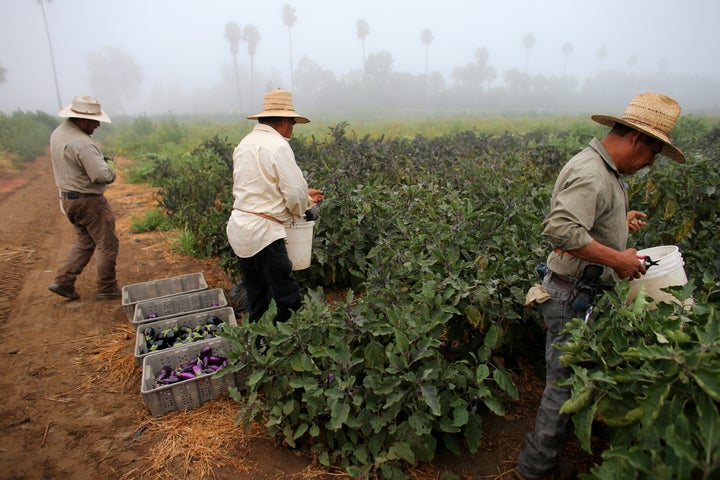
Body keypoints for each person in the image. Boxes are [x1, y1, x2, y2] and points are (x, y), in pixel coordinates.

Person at [515, 92, 686, 480]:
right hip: (570, 293)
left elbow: (585, 222)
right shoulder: (593, 172)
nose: (649, 164)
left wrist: (619, 222)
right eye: (653, 154)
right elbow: (559, 229)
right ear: (637, 140)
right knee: (560, 385)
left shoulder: (607, 172)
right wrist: (619, 258)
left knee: (566, 378)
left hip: (579, 291)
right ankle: (535, 468)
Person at [226, 88, 324, 324]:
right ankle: (286, 345)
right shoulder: (278, 146)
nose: (291, 129)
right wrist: (307, 203)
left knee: (257, 294)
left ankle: (259, 343)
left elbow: (258, 189)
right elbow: (293, 195)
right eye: (292, 123)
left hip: (240, 229)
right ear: (283, 121)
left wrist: (303, 194)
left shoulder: (245, 143)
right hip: (264, 234)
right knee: (286, 297)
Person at [48, 96, 122, 301]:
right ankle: (107, 287)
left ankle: (64, 281)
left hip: (68, 198)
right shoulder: (82, 143)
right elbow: (101, 175)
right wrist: (111, 169)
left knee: (86, 240)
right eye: (94, 121)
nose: (97, 125)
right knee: (107, 243)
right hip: (88, 200)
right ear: (81, 120)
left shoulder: (59, 134)